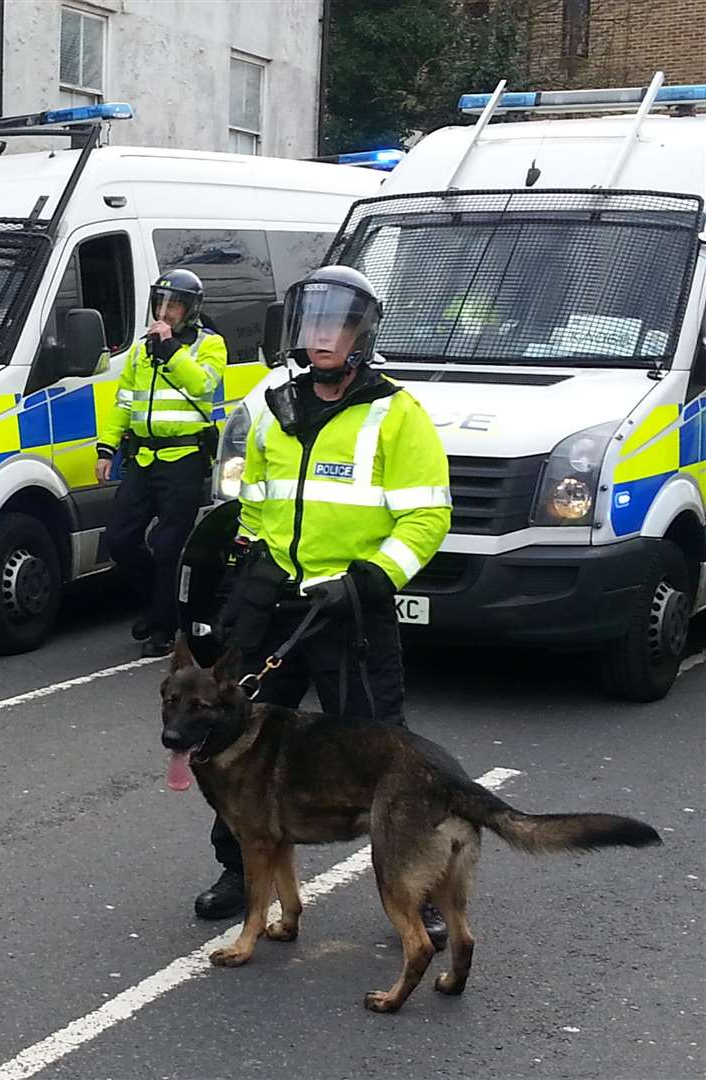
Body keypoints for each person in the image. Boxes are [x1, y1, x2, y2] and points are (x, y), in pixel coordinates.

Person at [192, 265, 452, 947]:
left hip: (349, 611)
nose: (321, 337)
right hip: (273, 602)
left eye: (335, 324)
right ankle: (238, 871)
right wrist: (250, 556)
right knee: (231, 748)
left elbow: (427, 519)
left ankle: (418, 888)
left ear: (361, 333)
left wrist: (368, 578)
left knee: (383, 754)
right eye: (311, 323)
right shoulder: (273, 406)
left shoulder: (397, 414)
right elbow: (256, 497)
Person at [96, 269, 227, 657]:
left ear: (191, 310)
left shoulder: (209, 345)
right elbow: (124, 401)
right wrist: (107, 449)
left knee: (169, 545)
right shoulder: (140, 349)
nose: (165, 312)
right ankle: (159, 606)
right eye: (161, 304)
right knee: (119, 539)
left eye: (175, 305)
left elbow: (203, 384)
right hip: (142, 457)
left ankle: (164, 629)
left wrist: (171, 350)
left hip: (184, 458)